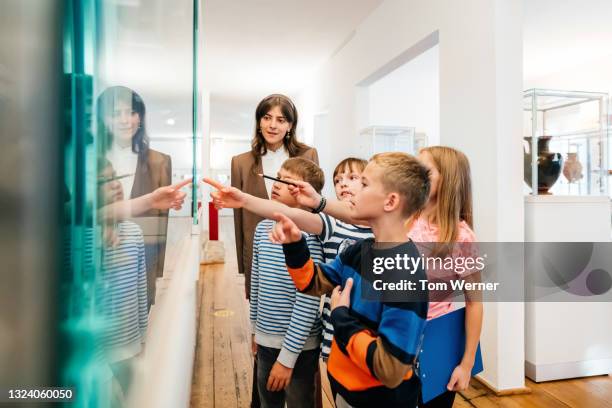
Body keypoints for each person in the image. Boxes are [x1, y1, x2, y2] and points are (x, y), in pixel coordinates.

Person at [270, 152, 431, 408]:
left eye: (364, 184)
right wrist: (295, 245)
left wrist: (342, 317)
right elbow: (311, 282)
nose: (352, 191)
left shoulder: (405, 274)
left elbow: (390, 369)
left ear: (390, 201)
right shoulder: (359, 250)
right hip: (344, 388)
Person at [409, 146, 483, 408]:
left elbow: (475, 303)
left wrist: (466, 364)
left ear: (448, 179)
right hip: (396, 343)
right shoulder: (408, 218)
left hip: (434, 349)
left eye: (424, 171)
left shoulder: (462, 238)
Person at [249, 157, 325, 408]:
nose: (276, 184)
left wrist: (288, 358)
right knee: (267, 401)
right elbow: (257, 285)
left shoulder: (311, 237)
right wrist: (254, 330)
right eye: (277, 177)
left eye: (286, 181)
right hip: (266, 339)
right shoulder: (262, 230)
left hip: (300, 348)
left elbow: (307, 302)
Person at [231, 94, 319, 300]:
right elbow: (240, 219)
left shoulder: (308, 154)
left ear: (290, 126)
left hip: (299, 240)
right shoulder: (240, 162)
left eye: (281, 120)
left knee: (300, 300)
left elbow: (314, 203)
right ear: (259, 122)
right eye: (267, 118)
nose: (272, 125)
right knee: (263, 308)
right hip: (260, 246)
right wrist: (244, 266)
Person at [98, 86, 172, 310]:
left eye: (131, 112)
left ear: (140, 117)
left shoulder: (160, 161)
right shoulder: (90, 158)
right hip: (96, 252)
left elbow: (162, 219)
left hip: (141, 254)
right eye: (115, 113)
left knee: (137, 317)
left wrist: (155, 270)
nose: (125, 120)